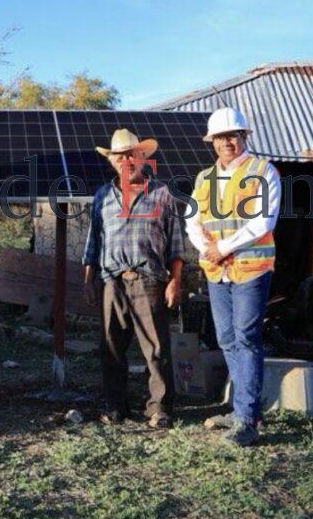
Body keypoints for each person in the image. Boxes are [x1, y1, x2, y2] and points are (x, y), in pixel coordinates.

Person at [186, 107, 281, 447]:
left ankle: (248, 418)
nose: (227, 142)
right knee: (226, 338)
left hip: (250, 269)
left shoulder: (262, 171)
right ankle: (243, 410)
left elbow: (263, 221)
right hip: (218, 270)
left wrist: (223, 247)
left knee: (246, 337)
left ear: (244, 137)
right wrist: (208, 249)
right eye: (220, 137)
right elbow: (192, 220)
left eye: (232, 136)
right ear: (212, 142)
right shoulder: (204, 178)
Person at [82, 128, 184, 429]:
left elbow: (175, 243)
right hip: (111, 280)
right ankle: (115, 406)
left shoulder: (162, 194)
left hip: (149, 279)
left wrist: (175, 281)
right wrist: (87, 279)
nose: (125, 160)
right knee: (111, 346)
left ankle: (159, 407)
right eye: (119, 156)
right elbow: (93, 242)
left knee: (156, 349)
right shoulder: (102, 196)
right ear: (112, 160)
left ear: (142, 157)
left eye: (131, 154)